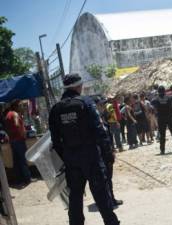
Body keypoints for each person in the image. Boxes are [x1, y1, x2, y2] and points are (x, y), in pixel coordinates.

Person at [48, 74, 119, 225]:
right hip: (91, 157)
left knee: (75, 196)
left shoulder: (56, 109)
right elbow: (99, 129)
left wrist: (66, 156)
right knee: (101, 194)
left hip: (71, 159)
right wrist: (108, 153)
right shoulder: (85, 102)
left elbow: (55, 140)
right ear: (77, 86)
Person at [93, 96, 123, 208]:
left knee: (108, 178)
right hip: (101, 154)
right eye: (101, 105)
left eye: (103, 104)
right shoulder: (94, 119)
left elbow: (107, 135)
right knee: (105, 178)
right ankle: (109, 200)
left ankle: (110, 198)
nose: (103, 107)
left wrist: (112, 148)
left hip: (106, 151)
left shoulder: (101, 117)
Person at [4, 99, 32, 185]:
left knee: (16, 161)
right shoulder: (15, 114)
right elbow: (16, 125)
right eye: (20, 105)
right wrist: (22, 134)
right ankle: (27, 179)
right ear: (15, 106)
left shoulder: (8, 114)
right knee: (23, 160)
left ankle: (19, 180)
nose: (21, 107)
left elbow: (8, 128)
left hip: (12, 140)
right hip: (19, 140)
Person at [151, 86, 172, 154]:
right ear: (164, 91)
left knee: (162, 135)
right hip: (170, 117)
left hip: (161, 118)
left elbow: (152, 102)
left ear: (158, 91)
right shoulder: (170, 97)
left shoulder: (156, 99)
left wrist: (157, 95)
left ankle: (162, 150)